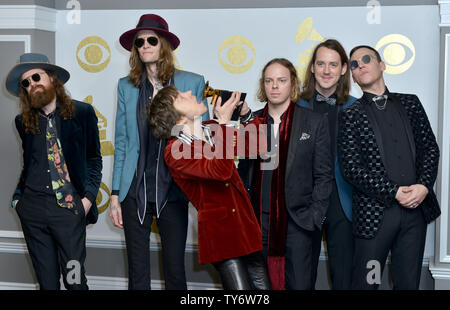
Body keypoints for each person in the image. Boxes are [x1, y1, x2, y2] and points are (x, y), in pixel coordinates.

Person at [108, 13, 208, 290]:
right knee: (137, 274)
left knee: (175, 271)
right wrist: (115, 194)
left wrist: (176, 131)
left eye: (151, 40)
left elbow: (201, 139)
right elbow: (124, 141)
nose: (145, 46)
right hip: (134, 190)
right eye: (139, 42)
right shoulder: (126, 86)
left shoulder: (192, 83)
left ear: (164, 44)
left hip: (173, 189)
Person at [148, 84, 270, 290]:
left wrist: (246, 115)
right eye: (180, 96)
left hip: (246, 227)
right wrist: (223, 122)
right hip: (221, 234)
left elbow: (262, 146)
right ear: (178, 118)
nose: (189, 92)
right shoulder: (175, 151)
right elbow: (220, 171)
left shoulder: (212, 130)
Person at [338, 45, 440, 289]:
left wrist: (424, 186)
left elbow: (430, 149)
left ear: (381, 65)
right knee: (367, 284)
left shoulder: (411, 103)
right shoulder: (350, 114)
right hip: (375, 216)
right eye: (354, 64)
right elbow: (351, 168)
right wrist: (394, 191)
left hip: (415, 212)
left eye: (366, 59)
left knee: (408, 283)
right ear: (352, 75)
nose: (360, 65)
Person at [6, 52, 102, 290]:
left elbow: (94, 159)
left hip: (69, 212)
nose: (32, 85)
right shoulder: (23, 122)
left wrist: (87, 199)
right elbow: (30, 164)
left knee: (75, 281)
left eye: (36, 77)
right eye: (25, 83)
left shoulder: (83, 113)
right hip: (33, 210)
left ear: (52, 78)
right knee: (47, 284)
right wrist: (18, 200)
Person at [238, 58, 333, 290]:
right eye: (269, 81)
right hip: (257, 223)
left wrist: (313, 218)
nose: (275, 86)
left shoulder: (314, 122)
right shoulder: (251, 123)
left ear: (292, 84)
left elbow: (324, 175)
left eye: (281, 80)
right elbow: (242, 172)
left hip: (298, 223)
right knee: (256, 289)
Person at [298, 39, 356, 289]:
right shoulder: (293, 105)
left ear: (343, 69)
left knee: (343, 275)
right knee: (300, 274)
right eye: (320, 63)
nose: (326, 70)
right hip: (302, 200)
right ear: (312, 68)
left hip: (341, 200)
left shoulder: (357, 108)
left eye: (333, 64)